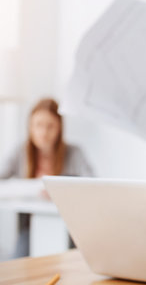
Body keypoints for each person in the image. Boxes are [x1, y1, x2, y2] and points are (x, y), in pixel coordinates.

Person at [0, 98, 94, 257]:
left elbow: (92, 186)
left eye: (50, 126)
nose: (44, 132)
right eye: (38, 125)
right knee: (16, 262)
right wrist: (31, 189)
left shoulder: (74, 153)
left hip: (68, 226)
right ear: (30, 127)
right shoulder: (20, 152)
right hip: (30, 227)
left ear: (59, 128)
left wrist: (60, 192)